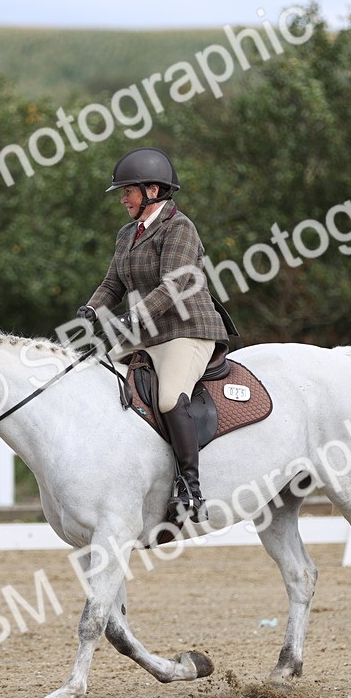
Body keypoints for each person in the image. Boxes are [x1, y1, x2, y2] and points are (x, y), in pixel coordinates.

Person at [77, 147, 234, 522]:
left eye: (127, 191)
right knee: (95, 381)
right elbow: (113, 283)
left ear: (152, 190)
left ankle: (190, 488)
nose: (123, 198)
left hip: (187, 330)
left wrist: (134, 315)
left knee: (168, 398)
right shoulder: (127, 234)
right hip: (146, 334)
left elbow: (174, 285)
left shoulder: (179, 228)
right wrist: (92, 308)